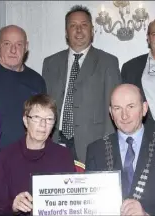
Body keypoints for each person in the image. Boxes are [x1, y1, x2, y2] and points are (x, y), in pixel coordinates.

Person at [86, 84, 155, 216]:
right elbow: (90, 203)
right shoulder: (96, 150)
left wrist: (147, 214)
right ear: (111, 112)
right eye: (117, 108)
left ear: (144, 108)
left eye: (131, 106)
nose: (124, 116)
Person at [0, 25, 46, 216]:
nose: (13, 50)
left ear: (26, 47)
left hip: (24, 167)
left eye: (19, 44)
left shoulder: (37, 80)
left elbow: (43, 125)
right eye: (7, 44)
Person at [42, 5, 121, 163]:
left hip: (93, 144)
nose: (79, 30)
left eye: (84, 25)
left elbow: (114, 107)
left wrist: (107, 147)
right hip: (56, 141)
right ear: (66, 32)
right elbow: (44, 105)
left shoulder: (108, 62)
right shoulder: (50, 63)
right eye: (73, 26)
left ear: (92, 30)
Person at [0, 94, 75, 215]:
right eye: (37, 117)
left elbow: (72, 201)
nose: (43, 125)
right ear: (25, 120)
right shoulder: (7, 155)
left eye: (49, 119)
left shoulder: (63, 155)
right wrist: (13, 206)